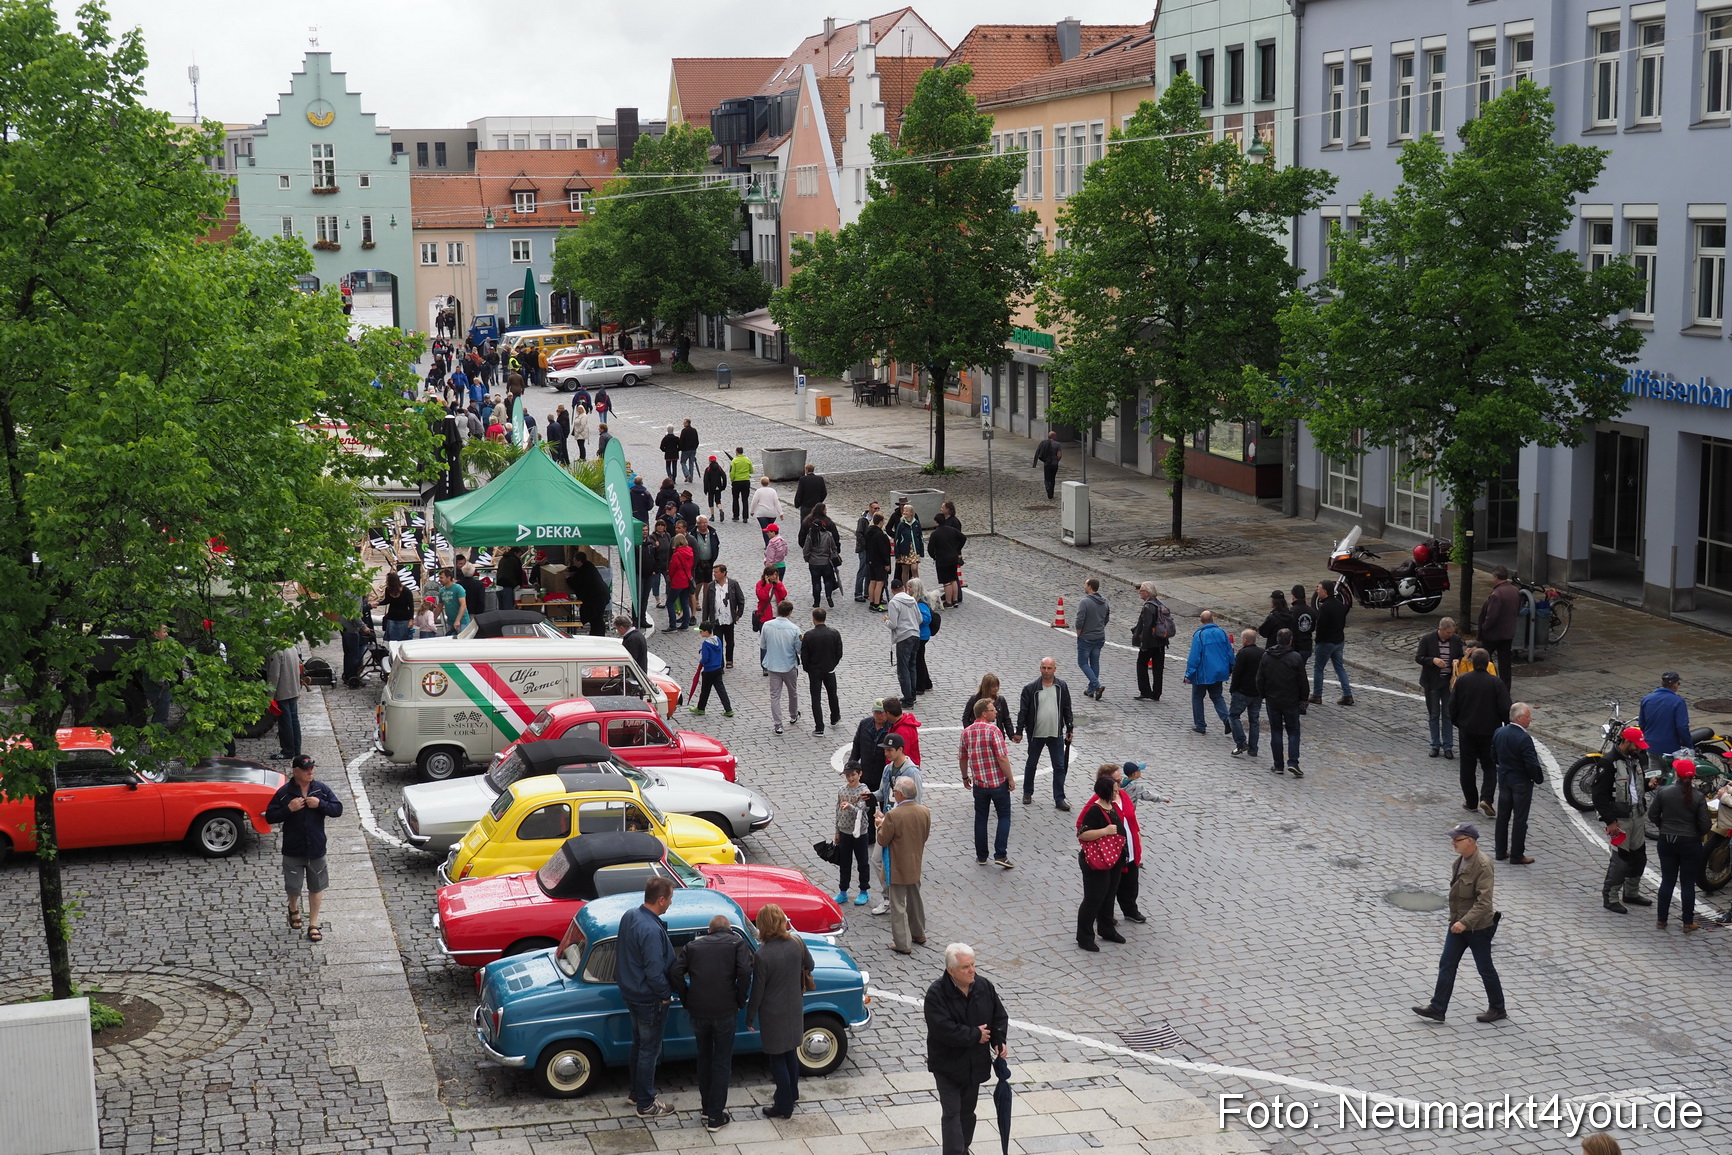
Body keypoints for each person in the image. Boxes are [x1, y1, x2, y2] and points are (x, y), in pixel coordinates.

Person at [1412, 824, 1505, 1024]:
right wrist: (1458, 921)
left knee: (1485, 968)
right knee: (1447, 963)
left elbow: (1484, 902)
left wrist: (1465, 922)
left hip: (1477, 927)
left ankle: (1498, 1008)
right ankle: (1437, 1008)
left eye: (1457, 840)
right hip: (1458, 924)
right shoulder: (1460, 861)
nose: (1453, 843)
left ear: (1470, 841)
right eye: (1453, 839)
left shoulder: (1483, 865)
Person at [923, 943, 1009, 1155]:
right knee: (952, 1113)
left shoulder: (984, 986)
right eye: (965, 967)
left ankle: (964, 1148)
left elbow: (998, 1016)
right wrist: (975, 1035)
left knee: (967, 1113)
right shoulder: (936, 994)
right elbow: (942, 1029)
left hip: (974, 1065)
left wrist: (998, 1040)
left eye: (973, 964)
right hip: (948, 1066)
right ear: (951, 970)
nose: (972, 970)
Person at [672, 913, 754, 1133]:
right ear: (729, 930)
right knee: (722, 1061)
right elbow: (745, 971)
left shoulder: (692, 947)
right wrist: (740, 998)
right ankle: (716, 1116)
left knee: (704, 1058)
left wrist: (686, 997)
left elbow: (675, 971)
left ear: (709, 931)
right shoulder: (737, 943)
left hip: (698, 1009)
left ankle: (707, 1108)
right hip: (725, 1009)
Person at [264, 754, 344, 942]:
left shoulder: (321, 790)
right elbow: (270, 816)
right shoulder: (285, 793)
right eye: (306, 769)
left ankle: (313, 924)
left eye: (312, 768)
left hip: (316, 849)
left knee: (316, 887)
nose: (311, 772)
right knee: (293, 887)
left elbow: (337, 809)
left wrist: (321, 804)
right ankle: (293, 907)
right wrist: (289, 809)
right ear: (296, 771)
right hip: (293, 849)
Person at [617, 877, 678, 1117]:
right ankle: (646, 1103)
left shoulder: (630, 915)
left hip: (631, 992)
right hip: (648, 998)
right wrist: (665, 995)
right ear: (661, 899)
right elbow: (654, 971)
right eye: (670, 898)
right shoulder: (651, 930)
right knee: (649, 1050)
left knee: (639, 1045)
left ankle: (636, 1092)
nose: (670, 903)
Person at [745, 904, 814, 1119]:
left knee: (777, 1059)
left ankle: (783, 1105)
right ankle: (792, 1094)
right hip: (794, 1006)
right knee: (790, 1053)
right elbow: (810, 965)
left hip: (772, 1013)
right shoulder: (797, 943)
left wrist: (750, 1016)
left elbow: (758, 991)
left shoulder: (762, 955)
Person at [1592, 726, 1656, 913]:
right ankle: (1610, 897)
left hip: (1637, 816)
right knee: (1620, 861)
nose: (1640, 749)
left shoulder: (1635, 758)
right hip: (1620, 819)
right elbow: (1599, 796)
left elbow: (1635, 787)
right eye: (1637, 745)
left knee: (1639, 858)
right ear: (1626, 741)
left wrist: (1649, 785)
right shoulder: (1608, 762)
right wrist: (1610, 821)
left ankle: (1631, 893)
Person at [1650, 758, 1711, 932]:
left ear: (1676, 774)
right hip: (1690, 844)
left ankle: (1661, 920)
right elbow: (1705, 824)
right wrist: (1697, 834)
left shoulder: (1664, 792)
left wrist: (1663, 827)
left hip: (1667, 841)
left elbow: (1653, 815)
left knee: (1667, 881)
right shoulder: (1698, 796)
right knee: (1687, 884)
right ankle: (1687, 922)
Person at [1450, 649, 1510, 817]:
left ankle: (1471, 802)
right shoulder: (1496, 682)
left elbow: (1452, 706)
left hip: (1467, 730)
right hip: (1490, 731)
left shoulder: (1462, 680)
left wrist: (1459, 723)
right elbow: (1505, 708)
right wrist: (1506, 726)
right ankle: (1487, 798)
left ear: (1472, 662)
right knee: (1489, 766)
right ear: (1488, 663)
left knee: (1467, 767)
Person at [876, 775, 932, 954]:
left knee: (898, 905)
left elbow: (883, 840)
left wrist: (880, 825)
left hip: (897, 867)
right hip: (915, 863)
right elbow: (924, 835)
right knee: (915, 900)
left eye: (895, 791)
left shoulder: (893, 815)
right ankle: (919, 933)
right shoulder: (924, 811)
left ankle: (902, 944)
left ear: (900, 794)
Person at [1075, 773, 1128, 951]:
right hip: (1097, 862)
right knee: (1094, 898)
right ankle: (1084, 937)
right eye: (1115, 790)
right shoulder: (1095, 810)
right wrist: (1105, 831)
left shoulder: (1111, 805)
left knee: (1109, 894)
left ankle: (1107, 929)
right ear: (1106, 792)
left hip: (1113, 859)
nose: (1118, 792)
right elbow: (1083, 834)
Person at [960, 697, 1014, 869]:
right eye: (993, 710)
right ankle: (1001, 854)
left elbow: (963, 758)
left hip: (979, 784)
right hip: (997, 782)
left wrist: (965, 777)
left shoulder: (966, 732)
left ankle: (982, 856)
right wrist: (1010, 778)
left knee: (981, 818)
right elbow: (1002, 758)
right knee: (1004, 816)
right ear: (984, 713)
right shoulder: (994, 730)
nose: (996, 712)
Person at [1014, 657, 1075, 810]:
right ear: (1040, 668)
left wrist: (1069, 728)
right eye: (1044, 668)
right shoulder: (1030, 688)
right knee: (1031, 764)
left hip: (1056, 733)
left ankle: (1059, 798)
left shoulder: (1061, 686)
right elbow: (1023, 711)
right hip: (1036, 733)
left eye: (1049, 668)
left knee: (1059, 766)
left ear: (1055, 669)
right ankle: (1027, 792)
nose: (1046, 671)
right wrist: (1019, 731)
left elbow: (1067, 708)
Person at [1493, 703, 1543, 864]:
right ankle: (1517, 855)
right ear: (1519, 718)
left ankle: (1500, 851)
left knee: (1503, 817)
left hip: (1504, 779)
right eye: (1528, 716)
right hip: (1520, 782)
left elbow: (1494, 755)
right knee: (1520, 819)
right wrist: (1537, 777)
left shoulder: (1499, 732)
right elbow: (1531, 762)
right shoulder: (1523, 738)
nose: (1530, 719)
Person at [1257, 628, 1307, 778]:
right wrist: (1303, 699)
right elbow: (1302, 681)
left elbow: (1259, 679)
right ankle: (1293, 762)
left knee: (1276, 731)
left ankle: (1278, 764)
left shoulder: (1267, 656)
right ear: (1290, 641)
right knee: (1293, 731)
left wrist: (1263, 695)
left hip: (1273, 700)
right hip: (1291, 700)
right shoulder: (1296, 657)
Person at [1416, 617, 1465, 758]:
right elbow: (1419, 657)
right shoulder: (1427, 639)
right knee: (1434, 713)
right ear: (1441, 630)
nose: (1450, 635)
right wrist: (1433, 660)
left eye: (1452, 632)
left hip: (1448, 682)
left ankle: (1448, 746)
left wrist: (1457, 661)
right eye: (1448, 632)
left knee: (1448, 714)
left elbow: (1461, 656)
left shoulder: (1455, 640)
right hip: (1432, 682)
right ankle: (1435, 744)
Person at [1184, 610, 1234, 737]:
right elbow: (1229, 652)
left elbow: (1194, 657)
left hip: (1203, 673)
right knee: (1217, 696)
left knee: (1197, 697)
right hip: (1218, 672)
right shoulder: (1222, 632)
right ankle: (1227, 719)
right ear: (1213, 619)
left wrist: (1189, 674)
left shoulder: (1199, 635)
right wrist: (1230, 667)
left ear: (1201, 621)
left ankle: (1200, 725)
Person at [833, 761, 875, 907]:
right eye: (847, 775)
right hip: (844, 831)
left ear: (860, 774)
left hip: (860, 832)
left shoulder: (864, 791)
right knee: (844, 863)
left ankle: (864, 890)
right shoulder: (842, 790)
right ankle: (843, 891)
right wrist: (837, 831)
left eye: (853, 775)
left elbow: (862, 811)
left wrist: (850, 806)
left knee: (862, 862)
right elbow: (837, 811)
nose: (850, 778)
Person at [760, 599, 802, 735]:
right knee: (792, 692)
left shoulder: (767, 625)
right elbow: (799, 649)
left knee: (775, 696)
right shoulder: (795, 629)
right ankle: (793, 715)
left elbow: (763, 645)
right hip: (789, 665)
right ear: (790, 612)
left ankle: (778, 724)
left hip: (773, 665)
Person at [1477, 566, 1520, 690]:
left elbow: (1492, 615)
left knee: (1484, 657)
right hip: (1508, 632)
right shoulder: (1515, 590)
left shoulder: (1497, 594)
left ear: (1496, 577)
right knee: (1505, 662)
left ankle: (1489, 683)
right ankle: (1505, 688)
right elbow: (1517, 609)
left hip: (1494, 633)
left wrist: (1485, 626)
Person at [1311, 581, 1354, 705]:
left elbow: (1320, 627)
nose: (1317, 591)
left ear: (1325, 592)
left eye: (1319, 589)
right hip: (1338, 641)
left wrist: (1317, 641)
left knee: (1318, 668)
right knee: (1340, 668)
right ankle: (1347, 694)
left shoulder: (1324, 607)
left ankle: (1317, 695)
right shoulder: (1340, 604)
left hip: (1326, 642)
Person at [802, 607, 843, 733]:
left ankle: (819, 727)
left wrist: (808, 668)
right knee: (832, 694)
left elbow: (804, 655)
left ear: (813, 619)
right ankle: (835, 717)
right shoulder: (834, 633)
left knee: (816, 698)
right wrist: (832, 664)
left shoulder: (809, 635)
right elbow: (839, 652)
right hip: (829, 669)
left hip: (814, 671)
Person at [1638, 671, 1692, 763]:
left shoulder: (1646, 699)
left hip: (1651, 746)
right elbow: (1682, 727)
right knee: (1672, 771)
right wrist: (1689, 745)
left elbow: (1642, 724)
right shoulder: (1678, 701)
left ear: (1661, 683)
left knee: (1655, 771)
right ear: (1675, 685)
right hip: (1671, 748)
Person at [699, 563, 745, 669]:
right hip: (716, 620)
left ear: (724, 573)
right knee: (718, 642)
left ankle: (729, 660)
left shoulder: (733, 584)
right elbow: (706, 604)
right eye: (714, 572)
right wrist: (705, 620)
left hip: (729, 619)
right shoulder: (711, 586)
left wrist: (738, 614)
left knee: (730, 642)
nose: (714, 574)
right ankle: (720, 663)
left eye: (716, 572)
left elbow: (741, 600)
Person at [1227, 628, 1264, 760]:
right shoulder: (1262, 653)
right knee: (1254, 720)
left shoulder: (1243, 653)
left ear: (1245, 640)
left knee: (1233, 716)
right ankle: (1253, 749)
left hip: (1242, 691)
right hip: (1257, 692)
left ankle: (1241, 742)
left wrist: (1233, 688)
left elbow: (1237, 673)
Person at [1131, 582, 1171, 702]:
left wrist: (1143, 644)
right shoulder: (1159, 603)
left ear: (1147, 593)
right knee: (1158, 668)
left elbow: (1147, 626)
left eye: (1142, 590)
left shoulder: (1148, 606)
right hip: (1160, 641)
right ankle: (1157, 693)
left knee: (1141, 664)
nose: (1140, 592)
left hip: (1150, 641)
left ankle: (1145, 691)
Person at [798, 503, 842, 608]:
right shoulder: (828, 528)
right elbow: (835, 540)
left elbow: (803, 542)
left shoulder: (808, 526)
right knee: (828, 580)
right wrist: (835, 552)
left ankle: (816, 602)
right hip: (826, 561)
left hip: (814, 561)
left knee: (816, 582)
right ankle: (828, 596)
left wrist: (807, 556)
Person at [887, 577, 922, 705]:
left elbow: (893, 624)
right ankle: (912, 694)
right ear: (903, 588)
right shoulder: (912, 600)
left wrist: (886, 621)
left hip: (904, 637)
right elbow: (920, 619)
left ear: (892, 590)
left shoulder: (893, 602)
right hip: (915, 635)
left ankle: (907, 698)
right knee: (912, 666)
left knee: (903, 669)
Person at [1074, 577, 1110, 700]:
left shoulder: (1085, 602)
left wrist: (1079, 633)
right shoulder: (1104, 602)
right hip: (1099, 637)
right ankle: (1090, 690)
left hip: (1086, 637)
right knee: (1095, 663)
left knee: (1083, 663)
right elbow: (1106, 618)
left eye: (1085, 584)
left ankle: (1097, 685)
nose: (1084, 586)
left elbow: (1079, 620)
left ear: (1090, 587)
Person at [265, 643, 303, 760]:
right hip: (293, 689)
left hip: (283, 690)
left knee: (285, 722)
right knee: (294, 720)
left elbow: (274, 675)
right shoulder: (292, 647)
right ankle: (296, 748)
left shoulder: (276, 651)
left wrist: (270, 695)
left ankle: (288, 750)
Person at [688, 621, 733, 718]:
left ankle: (701, 708)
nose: (700, 633)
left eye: (701, 631)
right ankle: (728, 709)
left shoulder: (706, 644)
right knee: (721, 690)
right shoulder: (718, 640)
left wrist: (701, 662)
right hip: (717, 669)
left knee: (705, 690)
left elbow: (705, 658)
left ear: (706, 632)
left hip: (709, 671)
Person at [851, 699, 892, 792]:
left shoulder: (891, 727)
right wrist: (852, 765)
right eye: (876, 712)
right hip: (865, 774)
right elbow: (857, 746)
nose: (879, 715)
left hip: (882, 775)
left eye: (881, 712)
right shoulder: (864, 724)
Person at [927, 511, 965, 609]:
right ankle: (955, 600)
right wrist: (957, 549)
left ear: (936, 522)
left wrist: (934, 556)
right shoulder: (952, 530)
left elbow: (930, 549)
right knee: (953, 579)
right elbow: (963, 538)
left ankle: (948, 601)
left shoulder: (935, 534)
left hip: (942, 560)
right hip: (953, 558)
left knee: (946, 582)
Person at [567, 553, 610, 637]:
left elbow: (575, 584)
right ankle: (596, 634)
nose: (574, 563)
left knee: (596, 618)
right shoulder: (587, 565)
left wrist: (567, 577)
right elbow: (575, 568)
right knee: (596, 618)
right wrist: (568, 569)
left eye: (574, 561)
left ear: (579, 561)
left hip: (597, 598)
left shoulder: (585, 571)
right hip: (599, 595)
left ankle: (598, 636)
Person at [962, 674, 1013, 743]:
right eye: (993, 686)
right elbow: (965, 718)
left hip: (996, 737)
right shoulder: (974, 699)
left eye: (997, 686)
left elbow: (1006, 719)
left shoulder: (1001, 700)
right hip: (978, 737)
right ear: (986, 687)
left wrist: (1011, 735)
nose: (996, 688)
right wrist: (970, 733)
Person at [908, 577, 936, 697]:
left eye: (910, 587)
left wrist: (913, 618)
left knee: (918, 660)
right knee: (920, 659)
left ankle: (920, 686)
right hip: (920, 634)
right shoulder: (917, 600)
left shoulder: (921, 603)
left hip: (921, 635)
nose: (908, 589)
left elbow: (926, 619)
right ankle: (927, 683)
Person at [882, 695, 924, 767]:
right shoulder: (901, 724)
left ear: (888, 714)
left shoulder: (902, 731)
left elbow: (901, 754)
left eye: (884, 712)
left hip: (904, 769)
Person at [853, 500, 882, 603]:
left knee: (870, 571)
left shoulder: (877, 519)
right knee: (863, 570)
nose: (877, 510)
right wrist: (865, 545)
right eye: (875, 508)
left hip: (872, 549)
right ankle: (858, 593)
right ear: (870, 508)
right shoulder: (863, 520)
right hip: (864, 549)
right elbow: (859, 533)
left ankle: (867, 592)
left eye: (878, 508)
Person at [864, 512, 893, 611]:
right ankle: (877, 603)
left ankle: (872, 602)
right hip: (879, 562)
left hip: (870, 560)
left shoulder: (868, 532)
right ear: (881, 522)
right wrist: (887, 563)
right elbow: (883, 550)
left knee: (872, 581)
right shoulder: (880, 535)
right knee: (880, 583)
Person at [666, 533, 694, 631]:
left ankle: (672, 625)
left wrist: (670, 578)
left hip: (678, 581)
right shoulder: (690, 552)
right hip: (687, 580)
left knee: (670, 602)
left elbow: (672, 569)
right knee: (685, 602)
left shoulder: (676, 554)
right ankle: (685, 624)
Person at [891, 502, 924, 586]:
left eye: (906, 511)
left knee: (914, 568)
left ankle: (917, 586)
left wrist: (921, 551)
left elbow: (920, 537)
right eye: (904, 511)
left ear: (911, 513)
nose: (904, 512)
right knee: (905, 570)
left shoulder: (916, 523)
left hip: (914, 549)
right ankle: (906, 588)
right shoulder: (901, 524)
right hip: (904, 550)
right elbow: (897, 539)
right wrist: (897, 553)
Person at [379, 572, 416, 642]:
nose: (386, 582)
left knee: (402, 640)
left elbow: (411, 606)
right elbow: (387, 601)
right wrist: (378, 603)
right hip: (391, 618)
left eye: (388, 580)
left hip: (403, 619)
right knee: (392, 640)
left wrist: (411, 619)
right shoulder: (388, 589)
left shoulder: (406, 591)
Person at [753, 566, 787, 640]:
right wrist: (768, 585)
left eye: (776, 574)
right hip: (765, 617)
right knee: (766, 639)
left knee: (777, 639)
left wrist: (779, 584)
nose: (775, 577)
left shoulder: (778, 584)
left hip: (777, 616)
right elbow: (762, 597)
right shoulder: (760, 584)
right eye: (773, 574)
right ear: (767, 575)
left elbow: (783, 595)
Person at [689, 514, 721, 587]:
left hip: (709, 562)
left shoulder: (712, 533)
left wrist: (714, 557)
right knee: (698, 583)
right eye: (702, 523)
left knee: (708, 583)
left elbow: (716, 544)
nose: (704, 524)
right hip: (697, 563)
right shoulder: (692, 534)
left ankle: (706, 595)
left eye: (706, 522)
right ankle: (695, 594)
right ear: (697, 524)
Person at [749, 476, 783, 542]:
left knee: (764, 529)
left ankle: (767, 543)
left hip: (761, 513)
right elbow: (776, 502)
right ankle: (771, 542)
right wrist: (781, 513)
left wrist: (752, 511)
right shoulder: (773, 491)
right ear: (768, 482)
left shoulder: (758, 491)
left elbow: (754, 502)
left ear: (761, 483)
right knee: (770, 529)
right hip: (771, 513)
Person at [436, 568, 468, 633]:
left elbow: (463, 605)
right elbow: (439, 606)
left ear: (449, 578)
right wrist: (433, 619)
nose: (439, 580)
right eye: (439, 577)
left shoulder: (458, 588)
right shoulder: (442, 590)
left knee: (462, 639)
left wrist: (458, 620)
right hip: (450, 622)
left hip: (462, 622)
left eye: (441, 578)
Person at [494, 546, 525, 611]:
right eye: (519, 555)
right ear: (515, 553)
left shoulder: (503, 559)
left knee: (501, 608)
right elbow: (519, 574)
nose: (520, 557)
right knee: (508, 609)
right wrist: (520, 584)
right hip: (508, 586)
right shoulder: (515, 560)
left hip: (499, 585)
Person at [726, 448, 753, 521]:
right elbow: (751, 471)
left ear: (737, 452)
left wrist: (732, 479)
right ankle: (745, 517)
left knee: (735, 499)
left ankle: (736, 516)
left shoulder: (734, 461)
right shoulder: (747, 460)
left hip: (736, 482)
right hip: (746, 481)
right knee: (745, 500)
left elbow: (732, 472)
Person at [1033, 430, 1062, 499]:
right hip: (1054, 464)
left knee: (1047, 478)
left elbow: (1039, 453)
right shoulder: (1057, 444)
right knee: (1052, 478)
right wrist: (1057, 460)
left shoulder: (1044, 443)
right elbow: (1059, 455)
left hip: (1047, 463)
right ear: (1053, 436)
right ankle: (1051, 493)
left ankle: (1048, 487)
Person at [702, 455, 727, 522]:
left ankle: (712, 516)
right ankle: (720, 510)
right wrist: (723, 486)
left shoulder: (708, 469)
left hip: (711, 488)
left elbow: (705, 480)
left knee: (711, 501)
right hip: (718, 487)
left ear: (710, 461)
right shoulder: (719, 468)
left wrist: (705, 489)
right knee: (718, 500)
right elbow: (724, 476)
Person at [678, 418, 700, 483]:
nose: (683, 424)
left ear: (687, 423)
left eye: (684, 423)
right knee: (691, 463)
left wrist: (680, 448)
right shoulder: (694, 430)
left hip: (686, 450)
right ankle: (691, 479)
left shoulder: (684, 431)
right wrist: (695, 447)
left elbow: (681, 441)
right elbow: (697, 441)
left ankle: (687, 474)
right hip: (693, 450)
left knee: (683, 462)